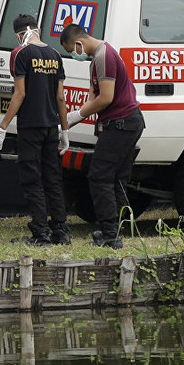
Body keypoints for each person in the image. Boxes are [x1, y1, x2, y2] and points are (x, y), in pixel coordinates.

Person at [60, 23, 144, 249]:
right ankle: (116, 229)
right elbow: (93, 97)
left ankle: (110, 233)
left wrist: (74, 115)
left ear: (79, 43)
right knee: (115, 178)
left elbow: (105, 98)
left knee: (99, 176)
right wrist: (69, 124)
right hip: (125, 122)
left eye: (71, 50)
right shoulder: (97, 58)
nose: (73, 55)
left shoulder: (103, 56)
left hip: (123, 122)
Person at [0, 14, 72, 246]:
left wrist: (2, 126)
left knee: (31, 179)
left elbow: (20, 93)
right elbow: (60, 96)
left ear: (19, 34)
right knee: (53, 179)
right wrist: (64, 129)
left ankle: (41, 232)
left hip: (30, 127)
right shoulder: (55, 55)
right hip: (51, 126)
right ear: (37, 29)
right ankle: (61, 230)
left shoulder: (20, 53)